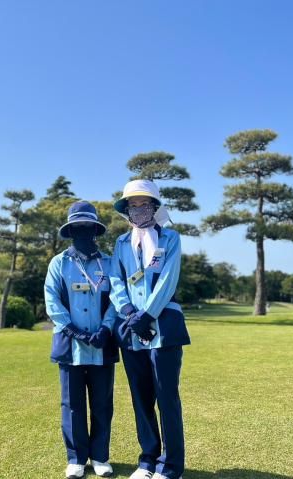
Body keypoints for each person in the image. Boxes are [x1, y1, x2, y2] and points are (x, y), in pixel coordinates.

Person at [109, 179, 191, 479]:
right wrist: (130, 313)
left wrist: (147, 315)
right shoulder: (121, 243)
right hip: (132, 329)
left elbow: (169, 279)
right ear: (126, 209)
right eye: (133, 205)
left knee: (166, 397)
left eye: (144, 204)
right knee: (141, 398)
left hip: (164, 327)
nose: (138, 209)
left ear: (155, 207)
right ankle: (147, 460)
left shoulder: (170, 238)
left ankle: (170, 466)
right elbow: (116, 281)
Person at [45, 200, 119, 479]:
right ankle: (76, 458)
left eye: (89, 226)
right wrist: (74, 331)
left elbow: (117, 298)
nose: (84, 230)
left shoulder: (109, 263)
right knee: (72, 404)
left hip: (102, 344)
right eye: (78, 226)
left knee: (102, 403)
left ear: (96, 229)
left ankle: (100, 457)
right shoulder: (59, 263)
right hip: (70, 345)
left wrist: (106, 329)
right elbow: (52, 301)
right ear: (71, 231)